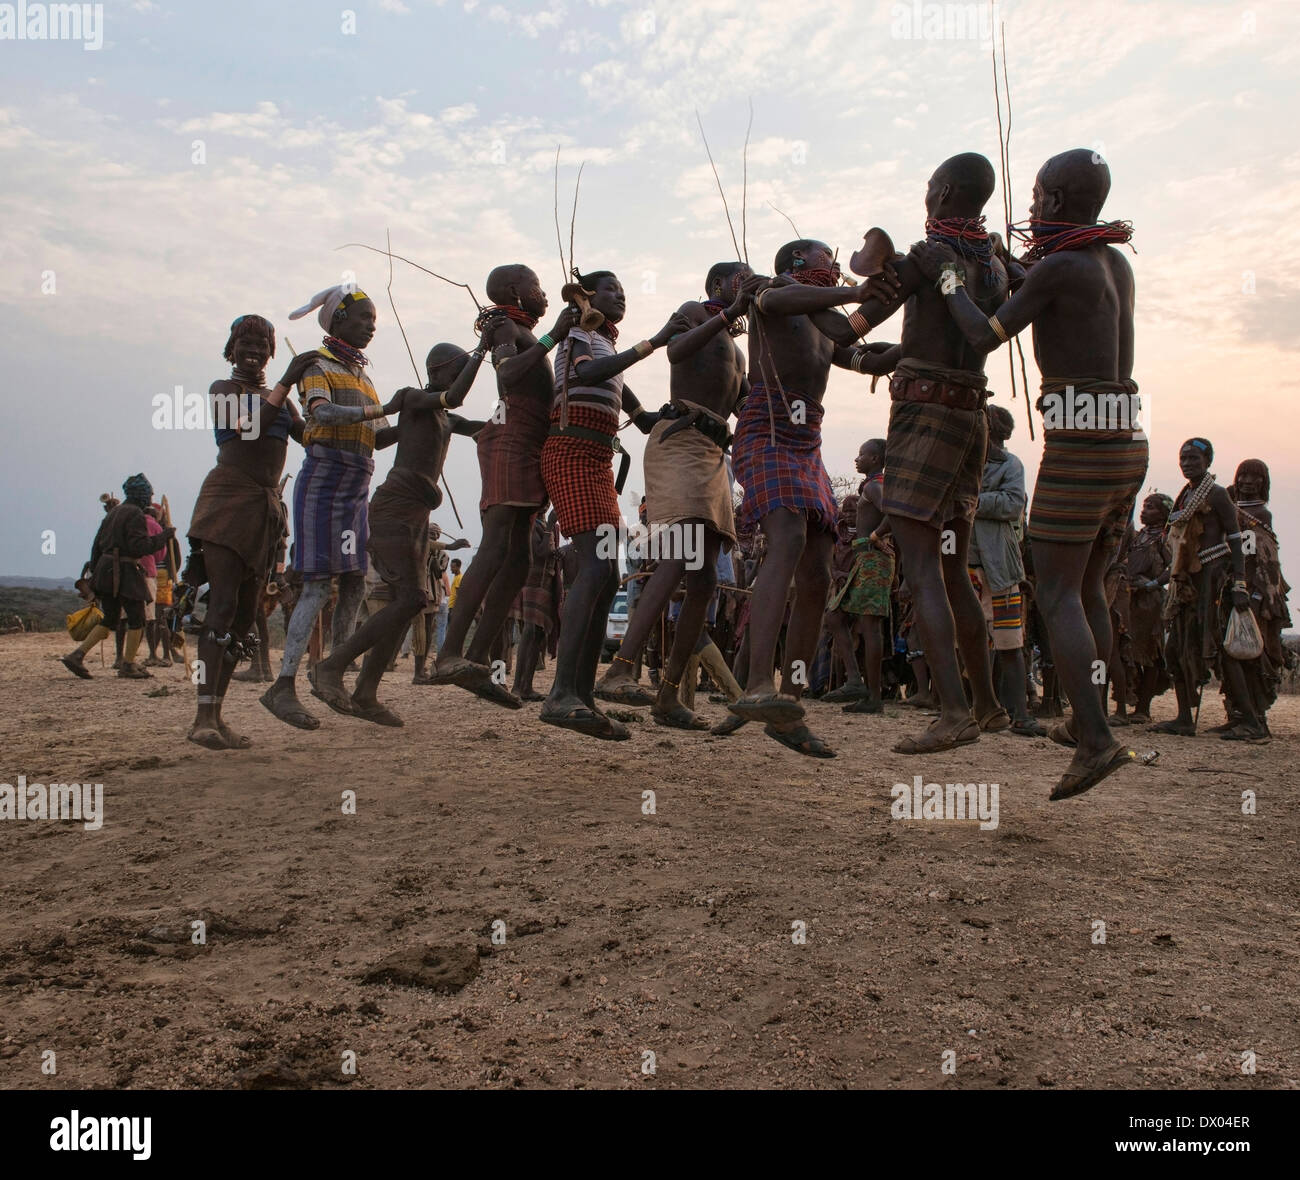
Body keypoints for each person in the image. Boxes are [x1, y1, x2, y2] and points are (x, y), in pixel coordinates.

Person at [913, 148, 1145, 799]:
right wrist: (1014, 271)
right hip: (1127, 439)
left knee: (1059, 594)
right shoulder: (1110, 263)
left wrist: (949, 277)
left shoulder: (1061, 267)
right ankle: (1083, 719)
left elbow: (985, 336)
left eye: (1039, 198)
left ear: (1061, 204)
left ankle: (1096, 741)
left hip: (1081, 447)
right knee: (1090, 588)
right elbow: (1043, 290)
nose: (1031, 209)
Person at [832, 154, 1013, 758]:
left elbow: (852, 327)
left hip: (923, 417)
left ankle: (954, 712)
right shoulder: (996, 266)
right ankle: (985, 704)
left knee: (922, 566)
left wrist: (822, 320)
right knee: (953, 565)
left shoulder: (924, 260)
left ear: (941, 193)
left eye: (929, 186)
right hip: (970, 416)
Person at [723, 241, 879, 757]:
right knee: (786, 536)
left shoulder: (824, 321)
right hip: (766, 429)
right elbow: (774, 304)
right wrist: (857, 288)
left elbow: (859, 352)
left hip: (806, 440)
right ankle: (757, 687)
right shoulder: (773, 293)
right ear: (795, 266)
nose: (834, 264)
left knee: (818, 574)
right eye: (823, 258)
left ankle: (788, 702)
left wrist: (919, 351)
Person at [593, 260, 751, 729]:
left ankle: (667, 697)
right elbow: (676, 351)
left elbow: (742, 405)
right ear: (717, 285)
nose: (748, 286)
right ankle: (619, 669)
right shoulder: (695, 313)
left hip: (711, 450)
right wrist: (729, 314)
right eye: (740, 280)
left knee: (703, 581)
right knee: (679, 554)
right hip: (679, 441)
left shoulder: (739, 351)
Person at [309, 332, 492, 725]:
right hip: (394, 509)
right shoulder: (413, 398)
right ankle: (331, 667)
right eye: (460, 368)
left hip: (415, 516)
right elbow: (454, 397)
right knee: (408, 601)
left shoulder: (441, 417)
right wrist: (482, 349)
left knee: (405, 603)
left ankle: (366, 692)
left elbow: (480, 425)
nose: (465, 375)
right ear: (440, 371)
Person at [537, 268, 679, 739]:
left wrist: (682, 414)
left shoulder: (607, 347)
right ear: (585, 297)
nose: (620, 296)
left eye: (624, 290)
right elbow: (589, 375)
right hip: (572, 453)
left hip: (597, 459)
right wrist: (655, 342)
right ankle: (562, 694)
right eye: (611, 289)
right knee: (596, 570)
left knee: (609, 573)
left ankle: (580, 695)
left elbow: (640, 418)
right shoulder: (580, 335)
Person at [260, 284, 399, 730]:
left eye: (374, 322)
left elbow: (378, 435)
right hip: (324, 480)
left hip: (357, 480)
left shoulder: (362, 375)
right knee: (318, 586)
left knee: (356, 581)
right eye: (364, 320)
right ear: (337, 320)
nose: (371, 328)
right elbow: (320, 414)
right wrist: (388, 408)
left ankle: (333, 669)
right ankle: (283, 684)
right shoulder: (317, 366)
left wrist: (422, 415)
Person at [435, 267, 578, 698]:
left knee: (517, 561)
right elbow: (509, 376)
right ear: (515, 290)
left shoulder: (518, 328)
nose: (544, 293)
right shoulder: (505, 326)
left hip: (530, 441)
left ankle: (476, 662)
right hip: (512, 438)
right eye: (536, 286)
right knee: (497, 544)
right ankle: (449, 654)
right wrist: (553, 336)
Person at [185, 313, 311, 747]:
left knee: (241, 619)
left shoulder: (278, 397)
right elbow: (247, 431)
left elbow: (310, 437)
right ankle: (202, 717)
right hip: (228, 502)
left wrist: (329, 406)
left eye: (262, 344)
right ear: (232, 349)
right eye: (246, 344)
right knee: (220, 606)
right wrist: (288, 383)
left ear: (272, 351)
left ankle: (216, 718)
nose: (254, 351)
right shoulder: (224, 391)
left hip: (264, 512)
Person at [1156, 439, 1255, 737]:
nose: (1187, 463)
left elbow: (1235, 539)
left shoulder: (1218, 494)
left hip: (1214, 579)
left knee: (1222, 650)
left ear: (1208, 460)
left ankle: (1249, 720)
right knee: (1178, 649)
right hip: (1187, 583)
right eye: (1183, 458)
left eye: (1194, 458)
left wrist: (1239, 583)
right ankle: (1184, 717)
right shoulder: (1185, 496)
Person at [969, 405, 1044, 736]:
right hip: (965, 568)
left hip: (999, 566)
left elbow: (1013, 503)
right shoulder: (964, 461)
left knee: (1010, 642)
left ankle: (1020, 715)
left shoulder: (1010, 465)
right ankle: (979, 711)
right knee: (968, 645)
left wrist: (970, 500)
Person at [61, 474, 176, 680]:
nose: (149, 499)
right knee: (137, 617)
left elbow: (95, 546)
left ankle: (77, 655)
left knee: (111, 618)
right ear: (140, 495)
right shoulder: (135, 515)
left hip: (105, 570)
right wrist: (163, 537)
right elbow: (139, 547)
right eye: (148, 495)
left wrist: (95, 575)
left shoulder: (113, 514)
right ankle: (128, 664)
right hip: (124, 570)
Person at [822, 439, 894, 714]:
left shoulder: (876, 486)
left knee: (869, 626)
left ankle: (873, 698)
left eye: (862, 455)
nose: (857, 459)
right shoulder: (872, 485)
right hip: (864, 558)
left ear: (874, 459)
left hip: (874, 558)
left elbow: (893, 514)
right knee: (835, 616)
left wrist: (876, 536)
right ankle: (855, 680)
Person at [1223, 459, 1291, 737]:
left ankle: (1255, 719)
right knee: (1230, 650)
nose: (1247, 481)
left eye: (1255, 476)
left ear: (1264, 482)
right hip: (1233, 587)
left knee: (1249, 652)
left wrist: (1252, 591)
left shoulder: (1260, 514)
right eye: (1243, 475)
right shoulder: (1233, 507)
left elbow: (1259, 559)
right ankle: (1238, 714)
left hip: (1251, 592)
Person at [1124, 493, 1172, 724]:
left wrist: (1152, 583)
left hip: (1151, 602)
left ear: (1164, 513)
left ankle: (1143, 708)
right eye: (1144, 506)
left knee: (1150, 655)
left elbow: (1174, 566)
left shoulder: (1165, 537)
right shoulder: (1137, 536)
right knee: (1129, 651)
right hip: (1130, 599)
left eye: (1151, 507)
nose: (1145, 511)